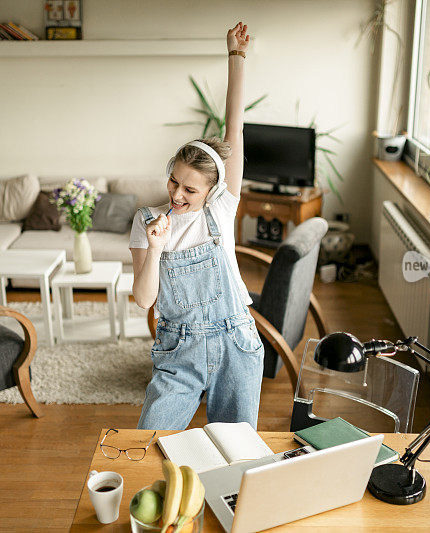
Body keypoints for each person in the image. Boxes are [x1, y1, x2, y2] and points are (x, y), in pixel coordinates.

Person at [129, 22, 263, 430]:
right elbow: (142, 299)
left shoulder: (222, 210)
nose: (177, 195)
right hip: (178, 350)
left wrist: (236, 57)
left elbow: (234, 129)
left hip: (235, 342)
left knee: (235, 456)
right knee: (150, 442)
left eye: (190, 189)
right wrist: (155, 249)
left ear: (212, 190)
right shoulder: (146, 221)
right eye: (174, 180)